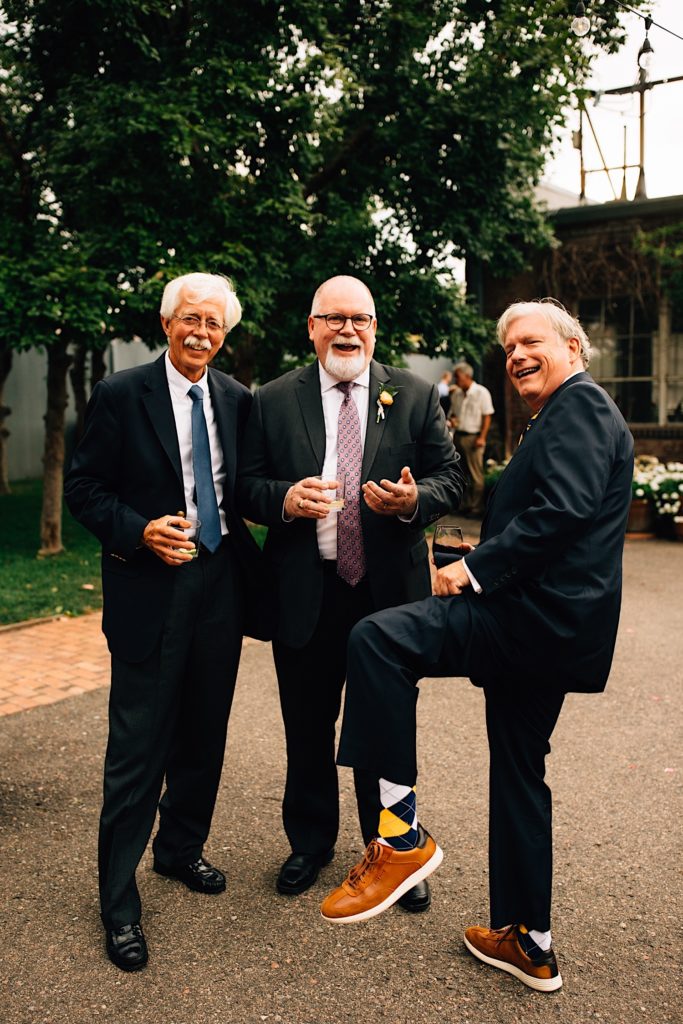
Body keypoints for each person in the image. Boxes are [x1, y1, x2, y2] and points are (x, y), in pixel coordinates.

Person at [320, 300, 633, 994]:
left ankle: (398, 837)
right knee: (520, 773)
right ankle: (529, 940)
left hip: (525, 621)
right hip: (553, 630)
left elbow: (563, 511)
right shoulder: (566, 410)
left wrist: (475, 569)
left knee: (377, 639)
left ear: (573, 345)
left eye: (530, 341)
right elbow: (560, 522)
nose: (515, 354)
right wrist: (483, 548)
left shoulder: (578, 407)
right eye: (507, 346)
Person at [237, 275, 463, 912]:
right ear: (311, 327)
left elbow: (453, 478)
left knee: (386, 730)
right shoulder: (275, 399)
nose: (347, 330)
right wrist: (281, 498)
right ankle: (309, 844)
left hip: (386, 598)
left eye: (359, 319)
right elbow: (245, 486)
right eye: (333, 318)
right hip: (307, 593)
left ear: (374, 327)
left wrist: (415, 500)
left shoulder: (414, 394)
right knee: (306, 726)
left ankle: (392, 853)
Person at [65, 272, 269, 972]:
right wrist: (137, 530)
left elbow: (243, 488)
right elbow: (83, 489)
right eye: (190, 320)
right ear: (166, 323)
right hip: (150, 583)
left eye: (213, 324)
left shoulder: (238, 400)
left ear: (225, 334)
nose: (201, 334)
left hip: (220, 581)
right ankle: (118, 904)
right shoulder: (122, 395)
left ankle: (180, 849)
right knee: (137, 750)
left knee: (204, 730)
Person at [449, 361, 494, 517]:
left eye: (458, 377)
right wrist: (453, 420)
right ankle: (464, 505)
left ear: (467, 376)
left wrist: (482, 437)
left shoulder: (482, 392)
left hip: (474, 437)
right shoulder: (456, 394)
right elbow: (452, 415)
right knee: (461, 474)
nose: (456, 380)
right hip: (459, 436)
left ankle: (476, 508)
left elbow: (487, 416)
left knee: (476, 475)